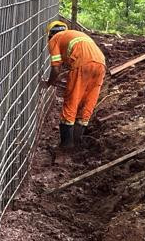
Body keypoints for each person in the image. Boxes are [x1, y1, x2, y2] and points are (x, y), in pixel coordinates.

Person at [45, 19, 106, 149]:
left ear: (50, 34)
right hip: (101, 64)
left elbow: (56, 68)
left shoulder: (54, 39)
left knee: (72, 101)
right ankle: (77, 142)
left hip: (82, 64)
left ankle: (66, 144)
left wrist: (49, 83)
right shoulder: (73, 34)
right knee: (88, 101)